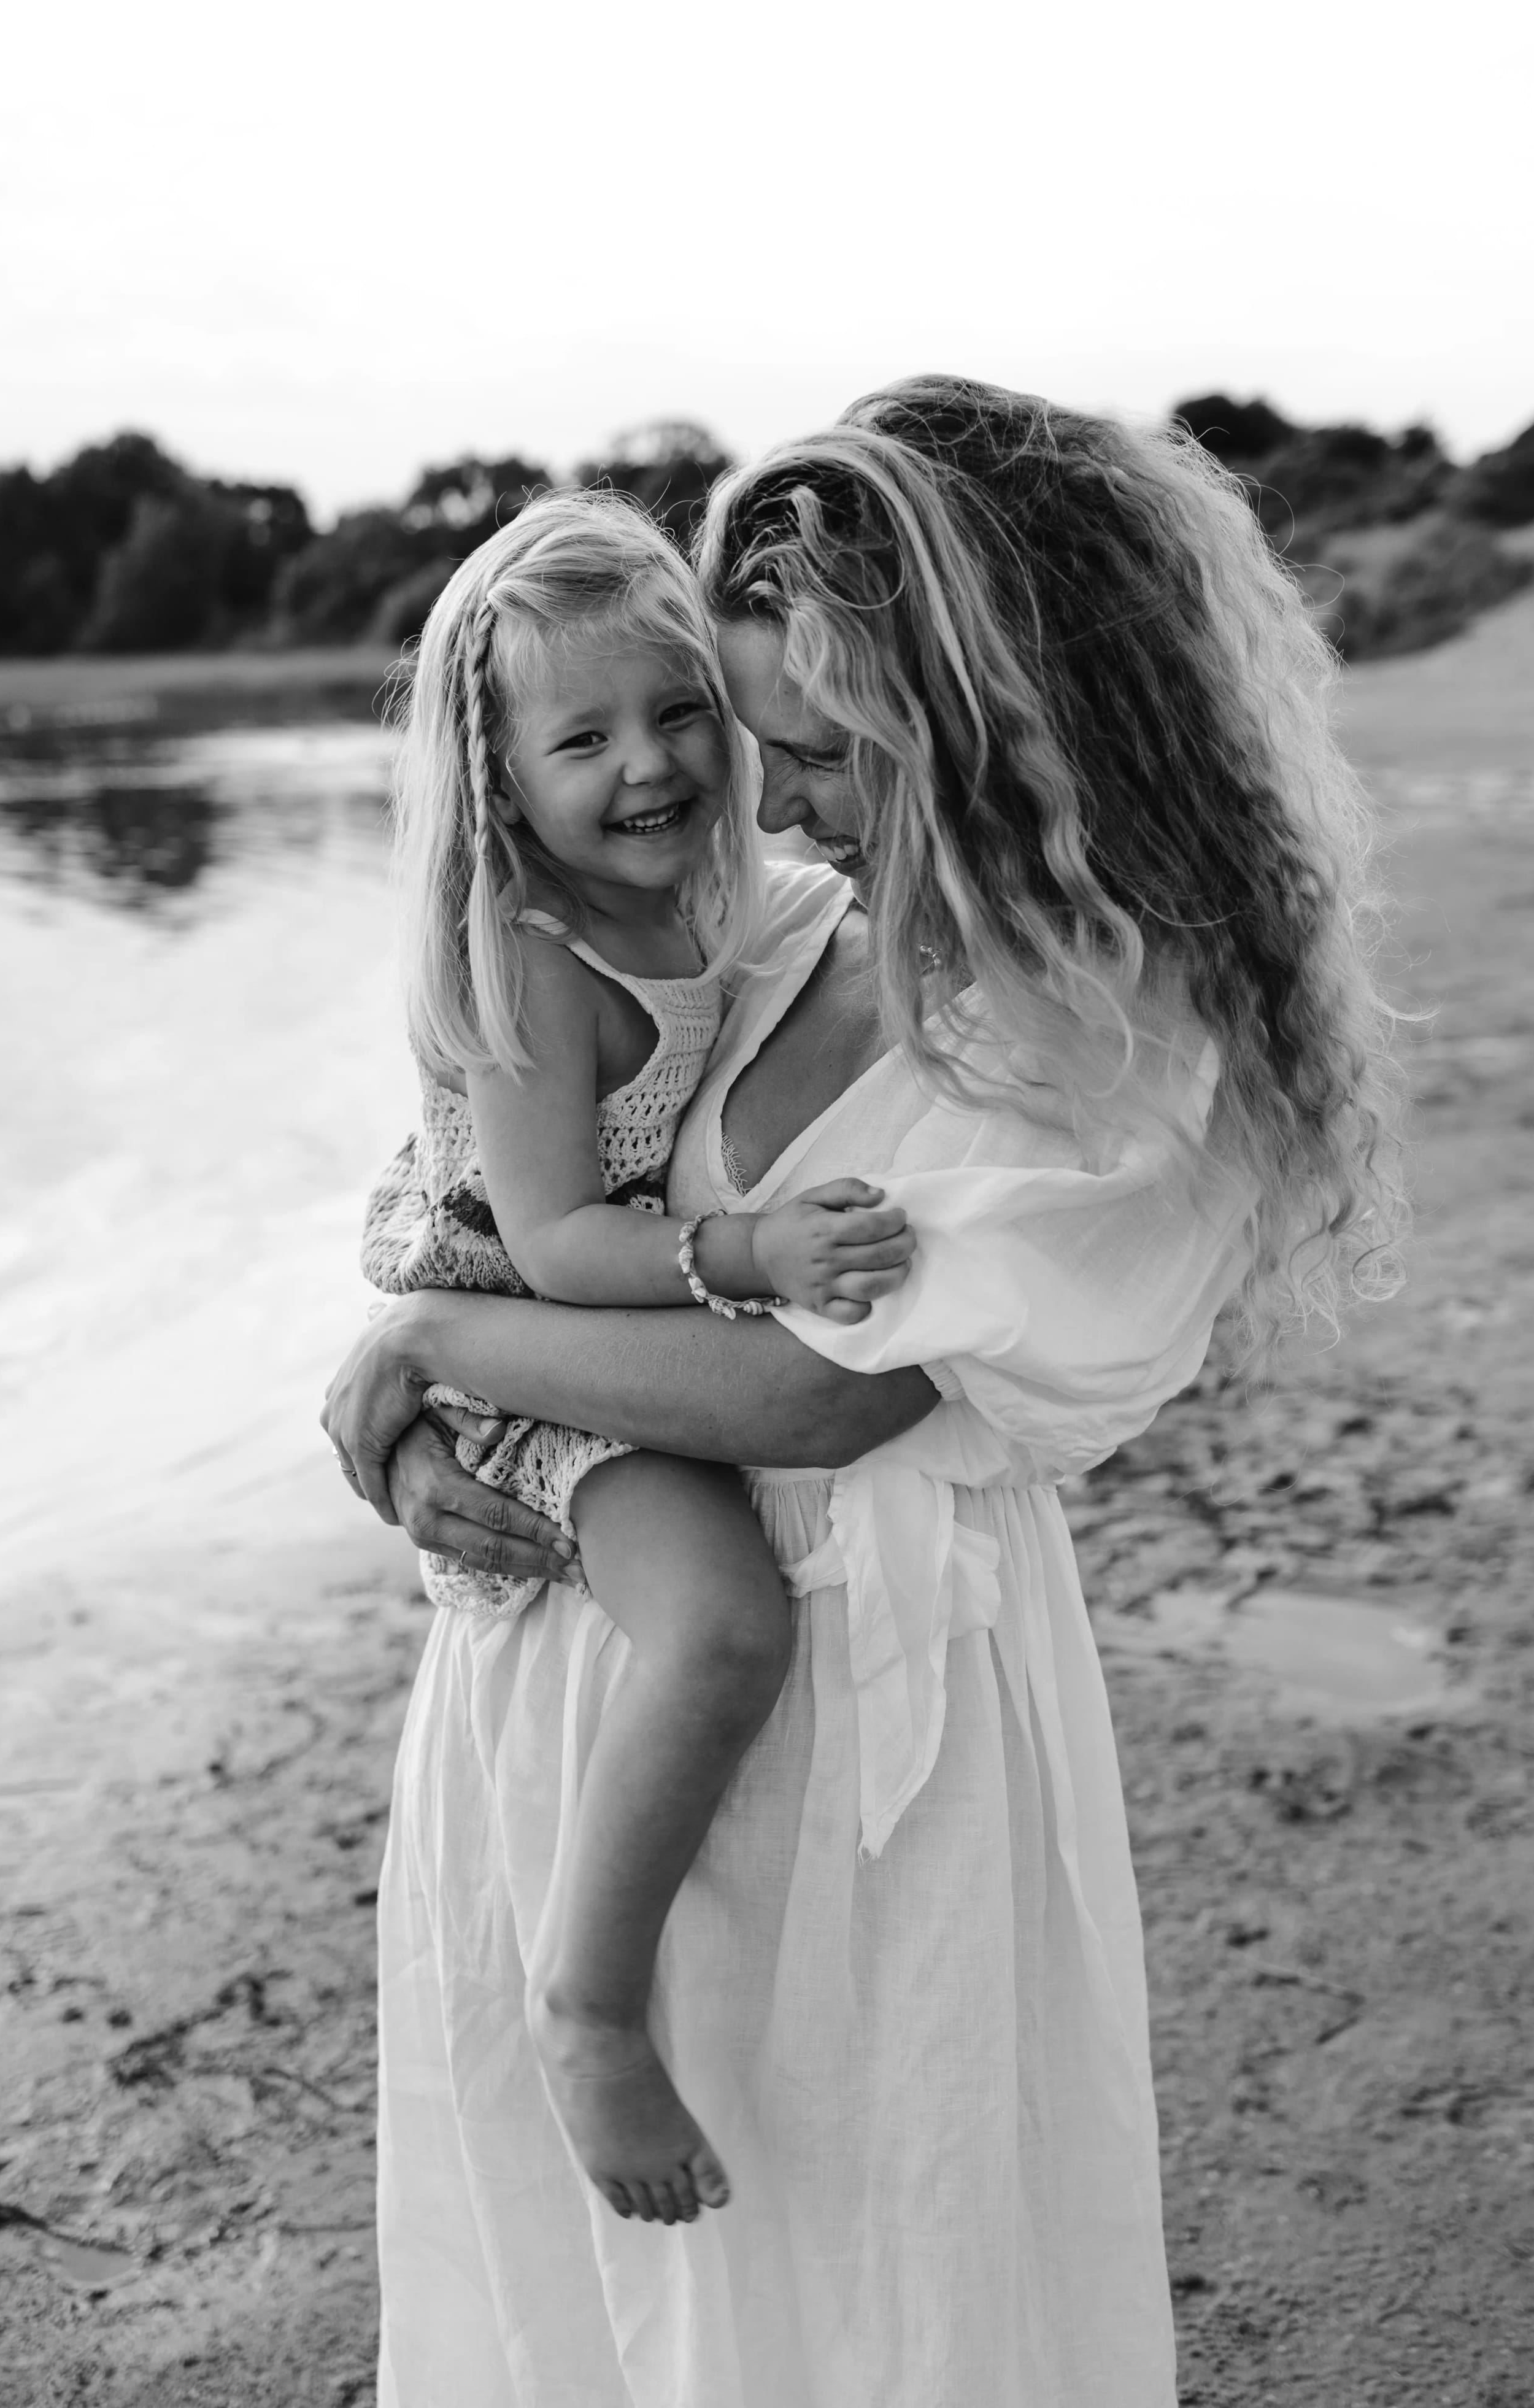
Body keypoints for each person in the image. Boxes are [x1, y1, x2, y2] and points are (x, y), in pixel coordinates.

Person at [324, 376, 1404, 2407]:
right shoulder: (807, 915)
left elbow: (823, 1403)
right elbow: (555, 1179)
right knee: (607, 2319)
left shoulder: (1113, 1033)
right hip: (588, 1659)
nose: (770, 796)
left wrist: (430, 1345)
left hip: (853, 1710)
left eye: (813, 750)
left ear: (969, 730)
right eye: (760, 741)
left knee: (871, 2275)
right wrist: (455, 1336)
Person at [357, 488, 919, 2221]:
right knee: (725, 1620)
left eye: (682, 711)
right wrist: (745, 1249)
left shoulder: (711, 903)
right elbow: (548, 1249)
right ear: (501, 778)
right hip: (527, 1350)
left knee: (728, 1614)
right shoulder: (535, 964)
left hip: (588, 1326)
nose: (654, 764)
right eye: (583, 736)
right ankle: (588, 2003)